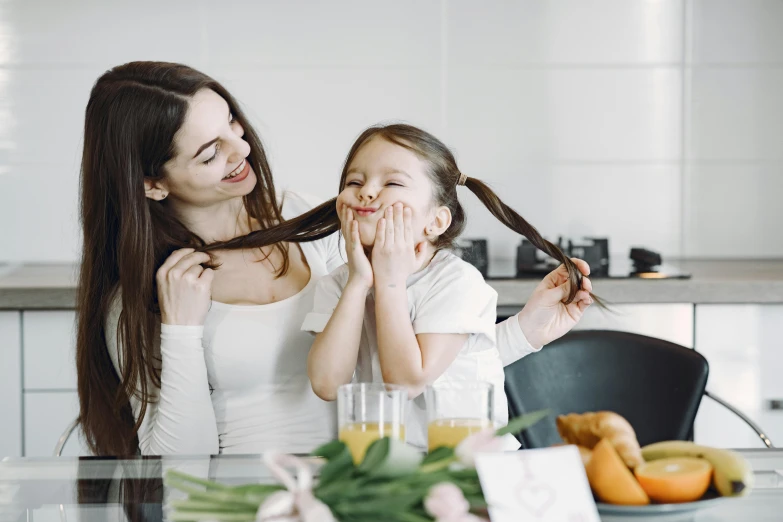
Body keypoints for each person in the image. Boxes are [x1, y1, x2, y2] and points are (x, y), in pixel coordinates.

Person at [76, 61, 593, 457]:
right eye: (209, 153)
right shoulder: (147, 293)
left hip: (359, 484)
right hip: (250, 497)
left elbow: (403, 373)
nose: (240, 150)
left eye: (232, 123)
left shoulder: (310, 225)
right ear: (151, 183)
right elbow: (176, 462)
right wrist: (182, 335)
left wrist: (521, 334)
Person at [215, 123, 594, 449]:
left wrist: (391, 282)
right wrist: (359, 281)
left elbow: (408, 381)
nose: (366, 192)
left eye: (392, 182)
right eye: (354, 181)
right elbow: (328, 383)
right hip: (385, 472)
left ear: (436, 221)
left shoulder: (455, 281)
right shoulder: (339, 283)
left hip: (466, 471)